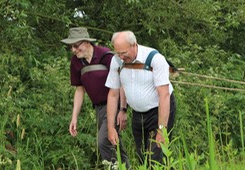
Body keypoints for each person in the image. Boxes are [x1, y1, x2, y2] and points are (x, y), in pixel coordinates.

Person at [61, 27, 129, 167]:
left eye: (76, 45)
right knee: (113, 142)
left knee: (103, 142)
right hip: (98, 109)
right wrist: (74, 117)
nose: (73, 50)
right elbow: (80, 90)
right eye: (71, 47)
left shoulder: (105, 56)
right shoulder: (76, 62)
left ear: (86, 42)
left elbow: (122, 81)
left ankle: (114, 168)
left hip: (113, 105)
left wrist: (123, 109)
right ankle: (126, 167)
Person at [106, 30, 176, 166]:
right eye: (117, 53)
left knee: (156, 156)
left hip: (159, 110)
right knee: (142, 156)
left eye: (124, 53)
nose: (121, 57)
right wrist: (111, 127)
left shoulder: (155, 59)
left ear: (134, 45)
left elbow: (164, 95)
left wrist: (162, 129)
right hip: (138, 114)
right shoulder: (116, 61)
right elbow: (113, 94)